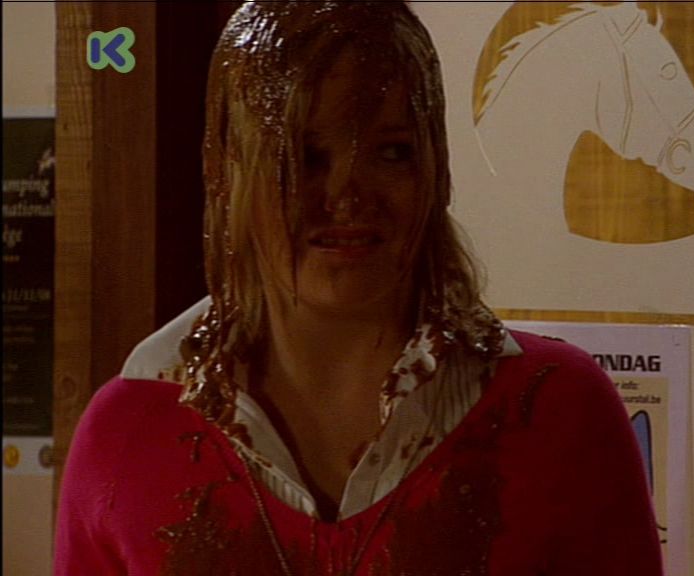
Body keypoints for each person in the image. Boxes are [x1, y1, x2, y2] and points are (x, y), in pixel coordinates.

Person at [54, 3, 662, 574]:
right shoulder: (129, 431)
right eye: (304, 155)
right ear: (227, 170)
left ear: (435, 164)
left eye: (390, 152)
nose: (347, 196)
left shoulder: (558, 409)